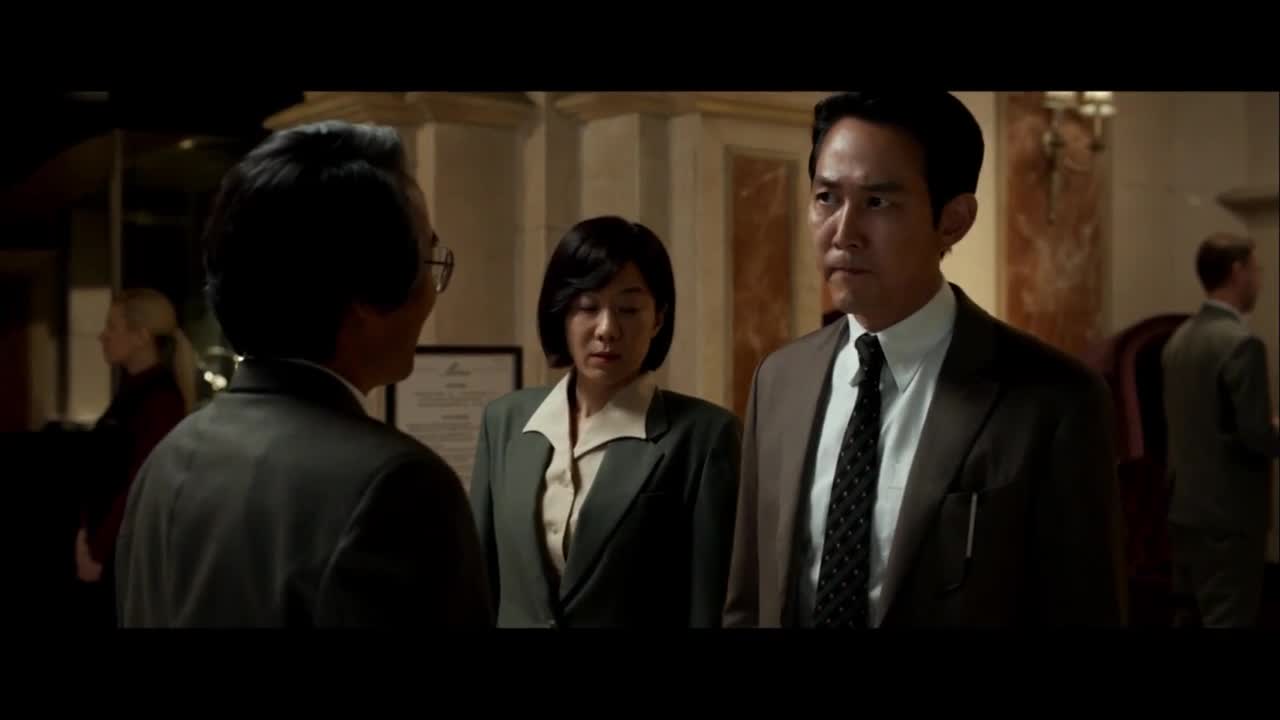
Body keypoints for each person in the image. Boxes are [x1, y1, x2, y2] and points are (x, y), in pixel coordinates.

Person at [722, 92, 1128, 628]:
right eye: (826, 198)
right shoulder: (780, 379)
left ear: (953, 220)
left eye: (877, 202)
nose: (843, 233)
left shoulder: (1054, 400)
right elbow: (750, 601)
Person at [115, 120, 492, 627]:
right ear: (363, 296)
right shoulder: (397, 485)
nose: (431, 292)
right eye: (427, 259)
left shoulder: (172, 454)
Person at [470, 216, 741, 627]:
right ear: (562, 312)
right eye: (587, 307)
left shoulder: (706, 437)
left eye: (628, 309)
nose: (607, 329)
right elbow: (477, 587)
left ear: (659, 318)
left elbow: (708, 607)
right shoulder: (504, 422)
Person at [1163, 232, 1280, 628]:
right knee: (1229, 619)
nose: (1259, 280)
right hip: (1229, 516)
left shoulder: (1179, 340)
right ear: (1237, 271)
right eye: (1256, 269)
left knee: (1188, 619)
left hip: (1184, 509)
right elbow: (1257, 436)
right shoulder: (1242, 344)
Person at [76, 288, 193, 626]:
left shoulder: (158, 401)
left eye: (112, 326)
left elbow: (139, 484)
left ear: (141, 336)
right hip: (108, 550)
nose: (102, 336)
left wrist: (98, 550)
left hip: (120, 557)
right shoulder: (134, 393)